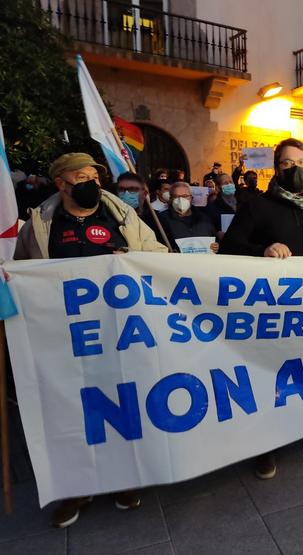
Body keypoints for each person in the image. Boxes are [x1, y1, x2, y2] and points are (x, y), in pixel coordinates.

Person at [14, 152, 167, 527]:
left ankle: (124, 480)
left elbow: (159, 258)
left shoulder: (123, 218)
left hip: (119, 334)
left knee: (122, 405)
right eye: (80, 176)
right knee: (69, 410)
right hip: (65, 339)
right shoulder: (39, 225)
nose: (91, 183)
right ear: (61, 183)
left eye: (94, 177)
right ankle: (76, 489)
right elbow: (19, 270)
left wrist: (130, 259)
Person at [220, 138, 303, 479]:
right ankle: (267, 445)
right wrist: (262, 249)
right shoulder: (258, 206)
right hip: (277, 312)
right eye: (286, 163)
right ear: (277, 168)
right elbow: (231, 247)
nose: (295, 168)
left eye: (301, 161)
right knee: (274, 374)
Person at [157, 182, 219, 253]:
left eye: (185, 196)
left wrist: (216, 246)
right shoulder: (161, 220)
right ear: (170, 199)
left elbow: (215, 239)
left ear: (191, 198)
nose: (181, 200)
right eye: (176, 196)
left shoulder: (204, 219)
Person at [206, 174, 238, 240]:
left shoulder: (242, 203)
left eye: (231, 182)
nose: (229, 185)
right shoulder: (213, 207)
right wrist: (216, 233)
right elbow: (208, 226)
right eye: (225, 183)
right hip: (223, 245)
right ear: (218, 187)